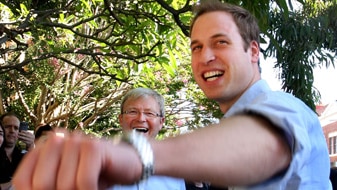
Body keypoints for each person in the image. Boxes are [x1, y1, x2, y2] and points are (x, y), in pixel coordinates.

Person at [13, 0, 331, 189]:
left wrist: (136, 155)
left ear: (252, 51)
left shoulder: (280, 107)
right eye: (196, 46)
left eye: (220, 42)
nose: (205, 56)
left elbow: (264, 140)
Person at [108, 87, 186, 190]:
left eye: (149, 113)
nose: (141, 119)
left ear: (161, 122)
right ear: (121, 119)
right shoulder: (101, 163)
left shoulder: (175, 172)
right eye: (132, 112)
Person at [0, 112, 35, 186]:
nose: (12, 131)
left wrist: (31, 147)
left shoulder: (22, 155)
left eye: (16, 128)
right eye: (8, 127)